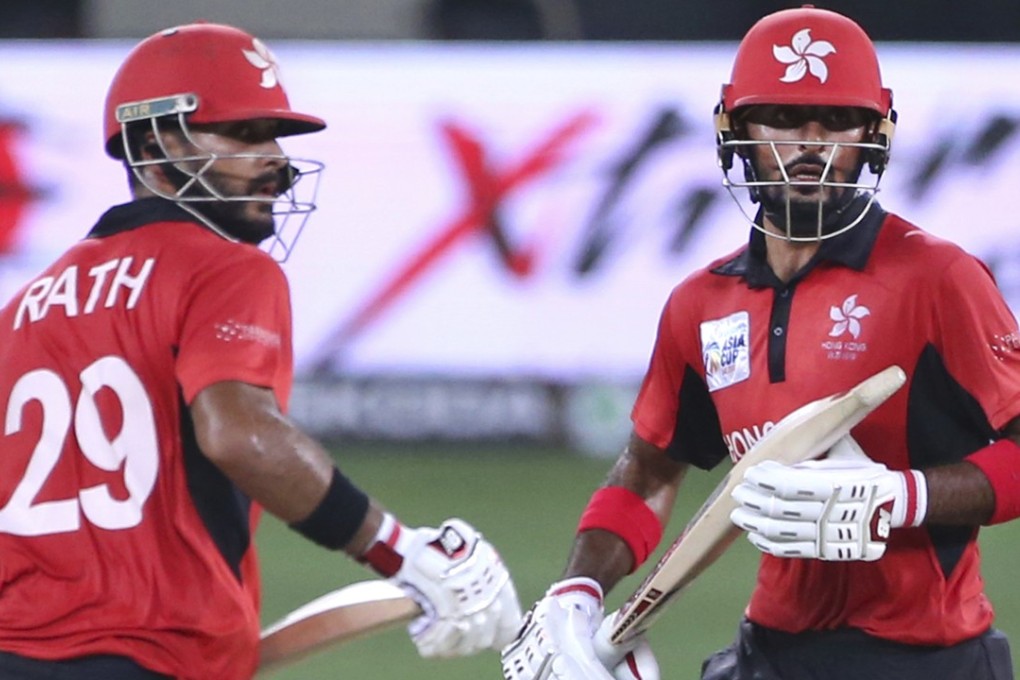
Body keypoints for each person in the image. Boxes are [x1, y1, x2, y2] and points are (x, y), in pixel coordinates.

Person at [501, 5, 1020, 680]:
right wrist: (578, 590)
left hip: (932, 660)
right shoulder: (701, 303)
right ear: (736, 130)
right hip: (771, 655)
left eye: (836, 121)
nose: (810, 143)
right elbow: (648, 473)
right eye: (781, 117)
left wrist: (898, 497)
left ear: (874, 133)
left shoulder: (936, 278)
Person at [0, 22, 521, 680]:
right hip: (157, 652)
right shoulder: (226, 269)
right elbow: (239, 436)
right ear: (156, 143)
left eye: (274, 135)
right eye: (244, 135)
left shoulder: (23, 309)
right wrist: (403, 553)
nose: (275, 158)